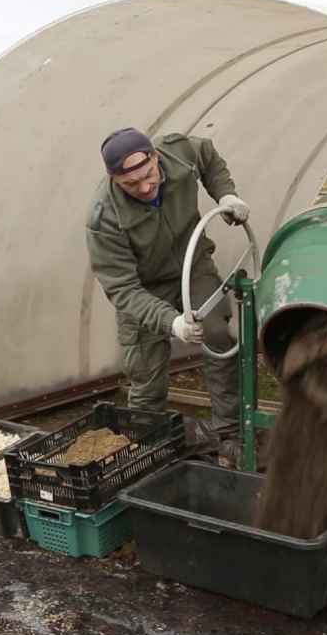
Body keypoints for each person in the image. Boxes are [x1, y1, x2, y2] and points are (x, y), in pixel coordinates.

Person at [85, 128, 249, 453]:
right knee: (145, 372)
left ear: (155, 157)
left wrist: (226, 195)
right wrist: (171, 322)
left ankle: (230, 436)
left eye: (149, 176)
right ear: (114, 179)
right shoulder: (104, 218)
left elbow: (210, 160)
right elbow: (123, 289)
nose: (145, 188)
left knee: (217, 336)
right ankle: (148, 448)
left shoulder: (178, 152)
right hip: (144, 289)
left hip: (193, 267)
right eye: (131, 184)